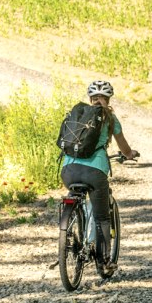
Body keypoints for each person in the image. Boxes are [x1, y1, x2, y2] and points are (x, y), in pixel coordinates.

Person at [60, 80, 139, 258]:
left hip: (68, 171)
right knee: (102, 217)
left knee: (76, 197)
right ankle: (104, 260)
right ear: (108, 100)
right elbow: (124, 148)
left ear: (90, 99)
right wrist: (129, 154)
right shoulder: (110, 118)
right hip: (95, 172)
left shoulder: (77, 114)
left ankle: (69, 233)